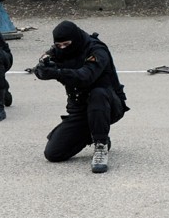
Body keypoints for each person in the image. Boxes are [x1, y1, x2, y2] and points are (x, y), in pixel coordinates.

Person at [32, 21, 129, 173]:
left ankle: (101, 144)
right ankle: (94, 132)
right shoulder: (57, 50)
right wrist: (43, 70)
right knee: (53, 153)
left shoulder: (96, 49)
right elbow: (39, 68)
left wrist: (58, 73)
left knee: (97, 93)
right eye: (59, 45)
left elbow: (86, 76)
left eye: (66, 44)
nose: (63, 48)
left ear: (75, 39)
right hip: (79, 108)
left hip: (108, 105)